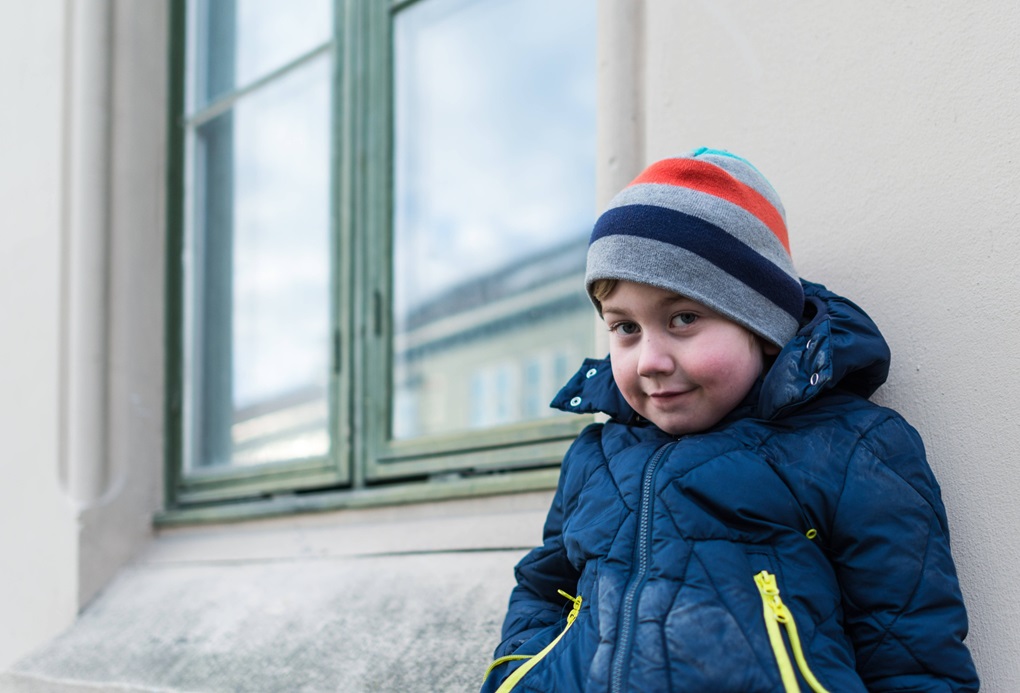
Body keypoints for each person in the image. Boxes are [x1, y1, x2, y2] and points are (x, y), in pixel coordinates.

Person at [480, 148, 979, 692]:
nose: (649, 360)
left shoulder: (851, 450)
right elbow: (544, 587)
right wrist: (518, 677)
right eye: (625, 327)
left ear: (763, 329)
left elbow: (911, 652)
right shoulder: (595, 455)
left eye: (683, 318)